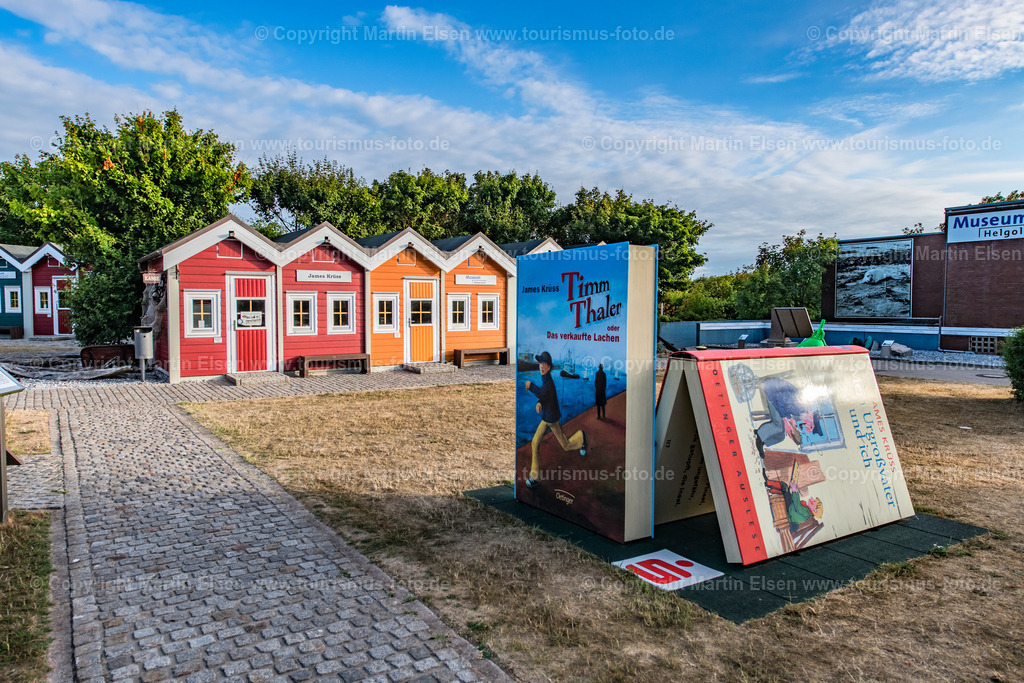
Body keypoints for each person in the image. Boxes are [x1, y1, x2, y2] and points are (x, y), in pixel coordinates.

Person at [523, 351, 587, 488]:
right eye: (540, 363)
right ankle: (535, 478)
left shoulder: (549, 383)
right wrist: (540, 402)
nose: (541, 366)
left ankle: (581, 437)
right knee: (534, 443)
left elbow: (543, 392)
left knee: (566, 446)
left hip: (551, 419)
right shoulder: (545, 379)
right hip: (547, 417)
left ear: (550, 367)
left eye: (544, 364)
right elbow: (545, 396)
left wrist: (530, 386)